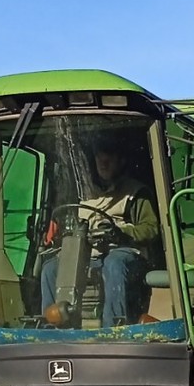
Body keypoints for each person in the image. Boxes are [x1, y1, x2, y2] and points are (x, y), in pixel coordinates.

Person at [40, 140, 159, 327]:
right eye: (99, 159)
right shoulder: (81, 193)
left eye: (109, 159)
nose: (103, 163)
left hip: (123, 251)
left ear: (121, 161)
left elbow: (151, 228)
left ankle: (113, 328)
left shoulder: (136, 193)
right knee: (51, 268)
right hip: (86, 253)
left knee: (114, 264)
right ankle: (53, 326)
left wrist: (121, 232)